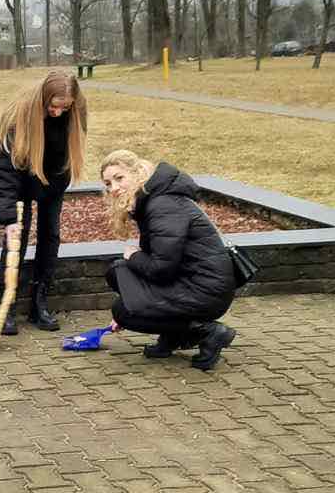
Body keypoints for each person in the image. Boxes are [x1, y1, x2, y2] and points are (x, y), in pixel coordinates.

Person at [100, 150, 236, 371]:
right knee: (121, 275)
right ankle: (172, 336)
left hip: (205, 291)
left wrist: (134, 256)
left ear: (137, 173)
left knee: (122, 305)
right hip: (193, 282)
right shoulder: (153, 201)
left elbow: (161, 269)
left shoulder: (163, 205)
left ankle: (207, 332)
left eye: (119, 178)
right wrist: (136, 302)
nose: (113, 188)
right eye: (108, 183)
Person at [0, 69, 87, 334]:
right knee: (16, 238)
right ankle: (5, 306)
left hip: (54, 178)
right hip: (20, 177)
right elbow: (2, 171)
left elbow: (70, 148)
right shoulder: (17, 116)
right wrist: (8, 217)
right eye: (54, 106)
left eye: (65, 108)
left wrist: (57, 181)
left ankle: (39, 303)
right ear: (44, 98)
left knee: (50, 235)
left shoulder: (75, 110)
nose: (58, 112)